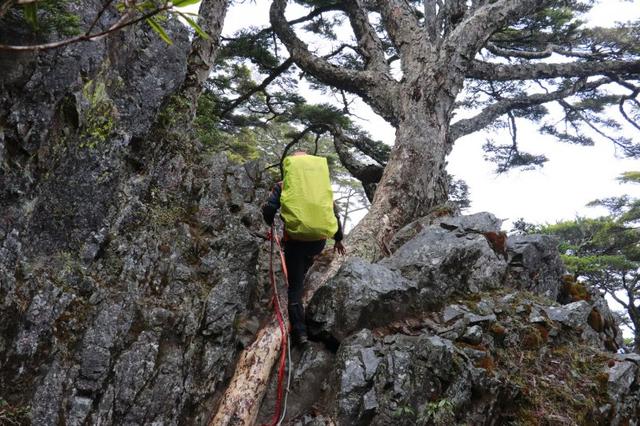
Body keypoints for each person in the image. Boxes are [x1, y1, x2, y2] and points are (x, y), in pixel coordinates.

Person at [262, 152, 346, 347]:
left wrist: (270, 223)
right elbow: (334, 215)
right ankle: (304, 268)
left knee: (295, 288)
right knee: (306, 260)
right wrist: (338, 240)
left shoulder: (283, 186)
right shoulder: (321, 188)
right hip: (318, 242)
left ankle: (300, 333)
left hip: (296, 242)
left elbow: (269, 210)